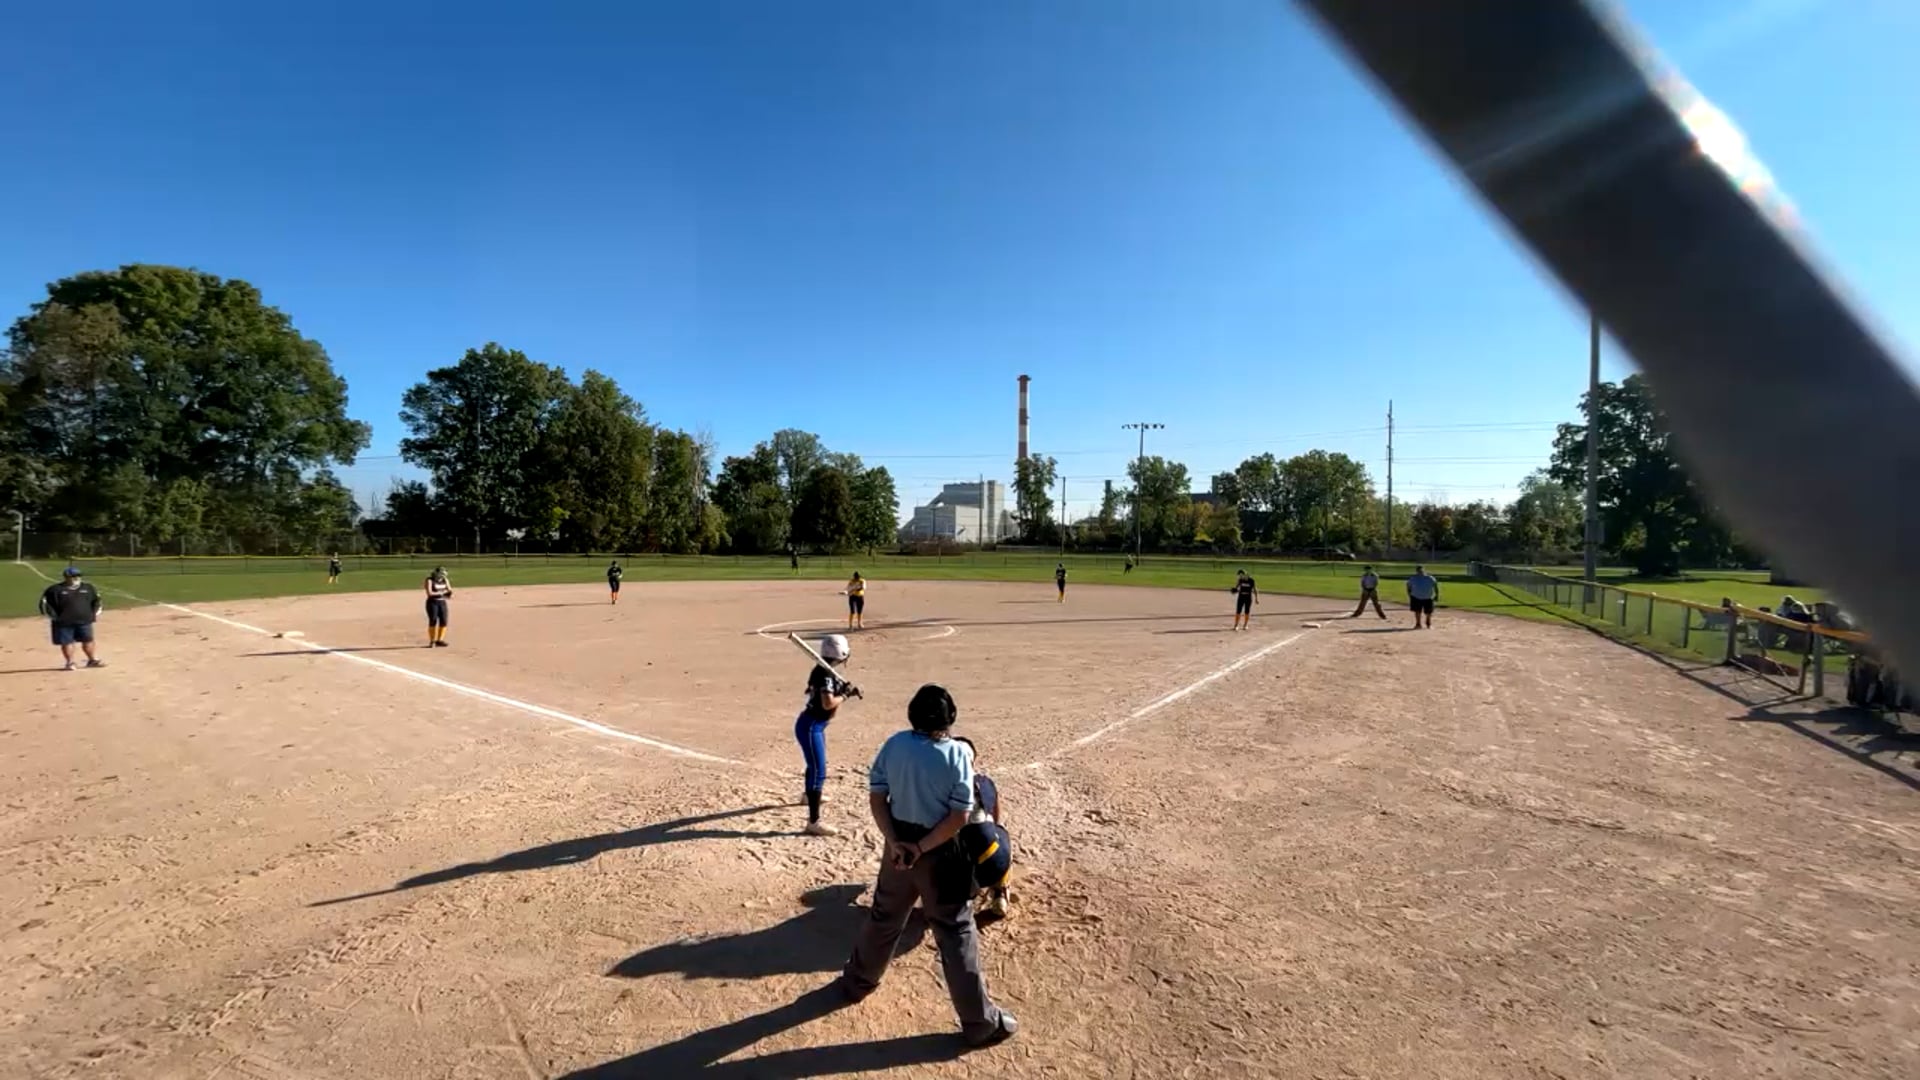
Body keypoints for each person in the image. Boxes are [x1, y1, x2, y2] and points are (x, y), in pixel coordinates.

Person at [840, 685, 1018, 1048]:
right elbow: (958, 817)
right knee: (955, 931)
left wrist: (896, 843)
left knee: (885, 915)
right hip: (941, 852)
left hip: (897, 848)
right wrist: (920, 848)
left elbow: (878, 798)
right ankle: (980, 1023)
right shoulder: (956, 754)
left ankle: (858, 982)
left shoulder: (895, 744)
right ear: (950, 718)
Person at [797, 635, 859, 837]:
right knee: (818, 770)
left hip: (814, 725)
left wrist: (841, 689)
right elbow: (827, 703)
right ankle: (814, 822)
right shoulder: (825, 674)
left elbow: (813, 691)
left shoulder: (823, 671)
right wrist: (845, 695)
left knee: (815, 765)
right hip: (811, 727)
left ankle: (808, 796)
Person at [953, 735, 1012, 919]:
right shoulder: (985, 782)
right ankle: (1000, 891)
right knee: (1000, 835)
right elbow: (996, 816)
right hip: (993, 864)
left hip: (959, 869)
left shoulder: (940, 787)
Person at [39, 566, 105, 671]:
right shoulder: (54, 590)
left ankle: (92, 660)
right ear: (66, 577)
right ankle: (70, 662)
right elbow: (45, 605)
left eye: (78, 576)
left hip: (84, 621)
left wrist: (93, 614)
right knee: (67, 642)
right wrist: (55, 618)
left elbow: (97, 601)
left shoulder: (88, 588)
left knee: (88, 640)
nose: (76, 578)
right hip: (63, 623)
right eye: (73, 576)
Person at [424, 566, 453, 647]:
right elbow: (430, 593)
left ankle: (440, 640)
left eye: (444, 574)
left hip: (442, 602)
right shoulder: (430, 580)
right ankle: (432, 641)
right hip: (432, 603)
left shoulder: (445, 580)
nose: (442, 575)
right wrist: (442, 593)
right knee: (433, 620)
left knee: (444, 621)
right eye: (441, 573)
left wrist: (449, 594)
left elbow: (449, 590)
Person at [1406, 565, 1440, 629]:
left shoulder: (1430, 578)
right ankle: (1418, 624)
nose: (1420, 571)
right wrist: (1410, 595)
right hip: (1416, 597)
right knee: (1417, 611)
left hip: (1428, 597)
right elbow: (1408, 587)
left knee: (1429, 612)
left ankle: (1428, 623)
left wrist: (1437, 595)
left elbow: (1435, 586)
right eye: (1418, 570)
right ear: (1416, 571)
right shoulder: (1413, 578)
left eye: (1421, 570)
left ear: (1424, 570)